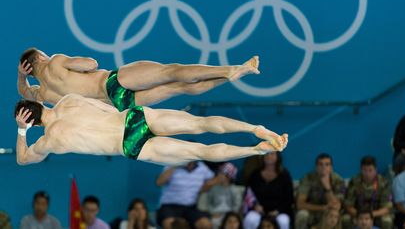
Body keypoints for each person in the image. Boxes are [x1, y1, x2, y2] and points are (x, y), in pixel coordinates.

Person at [14, 94, 287, 165]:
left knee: (200, 152)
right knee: (200, 124)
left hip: (129, 146)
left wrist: (21, 131)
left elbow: (23, 159)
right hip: (132, 119)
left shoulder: (50, 140)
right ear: (38, 104)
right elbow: (106, 107)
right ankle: (255, 128)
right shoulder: (69, 100)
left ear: (32, 122)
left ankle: (255, 151)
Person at [18, 48, 259, 110]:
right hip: (111, 83)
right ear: (40, 56)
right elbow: (92, 64)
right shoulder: (56, 61)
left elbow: (24, 92)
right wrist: (76, 64)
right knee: (172, 71)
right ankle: (229, 70)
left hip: (116, 105)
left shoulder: (41, 93)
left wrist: (21, 76)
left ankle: (231, 76)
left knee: (178, 89)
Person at [156, 161, 215, 229]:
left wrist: (208, 185)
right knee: (169, 224)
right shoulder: (172, 165)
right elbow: (159, 182)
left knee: (206, 224)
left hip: (190, 207)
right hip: (169, 206)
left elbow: (212, 180)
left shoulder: (203, 168)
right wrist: (174, 166)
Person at [243, 152, 294, 229]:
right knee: (250, 219)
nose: (269, 156)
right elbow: (248, 194)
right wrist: (254, 206)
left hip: (279, 211)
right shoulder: (255, 174)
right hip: (259, 210)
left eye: (272, 154)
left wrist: (278, 210)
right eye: (266, 154)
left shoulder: (284, 175)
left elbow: (289, 198)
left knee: (283, 221)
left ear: (277, 157)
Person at [295, 153, 345, 229]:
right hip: (313, 211)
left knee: (336, 216)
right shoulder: (308, 178)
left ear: (331, 167)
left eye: (327, 164)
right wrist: (323, 208)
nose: (323, 167)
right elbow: (300, 204)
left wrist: (327, 187)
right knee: (302, 215)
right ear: (316, 167)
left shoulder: (338, 180)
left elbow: (336, 206)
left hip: (331, 213)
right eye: (320, 164)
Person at [343, 156, 393, 229]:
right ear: (361, 170)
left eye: (370, 170)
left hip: (376, 214)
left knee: (387, 221)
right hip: (358, 214)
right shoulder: (354, 181)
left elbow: (387, 207)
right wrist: (361, 216)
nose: (367, 173)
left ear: (375, 170)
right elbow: (348, 206)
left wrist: (370, 215)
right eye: (364, 170)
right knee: (345, 219)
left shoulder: (383, 183)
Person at [206, 163, 242, 228]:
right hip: (216, 214)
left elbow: (237, 205)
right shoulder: (214, 188)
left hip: (229, 215)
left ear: (228, 177)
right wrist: (212, 213)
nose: (219, 175)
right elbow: (209, 202)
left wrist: (227, 215)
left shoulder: (234, 189)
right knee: (213, 222)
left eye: (222, 173)